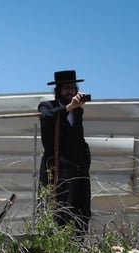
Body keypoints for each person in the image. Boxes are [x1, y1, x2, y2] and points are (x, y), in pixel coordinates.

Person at [38, 69, 92, 234]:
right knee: (60, 208)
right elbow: (46, 117)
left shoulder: (78, 111)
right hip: (57, 167)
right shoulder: (47, 106)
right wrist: (69, 107)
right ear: (58, 90)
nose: (70, 91)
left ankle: (78, 244)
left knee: (81, 208)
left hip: (77, 168)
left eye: (72, 88)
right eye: (66, 88)